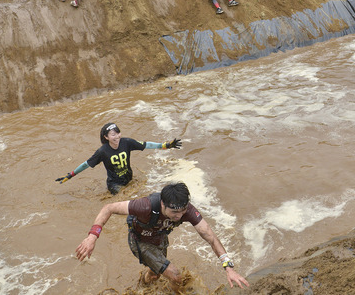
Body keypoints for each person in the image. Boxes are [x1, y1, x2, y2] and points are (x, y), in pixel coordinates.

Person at [75, 182, 249, 291]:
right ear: (163, 204)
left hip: (160, 238)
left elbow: (210, 237)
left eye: (182, 212)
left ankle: (143, 285)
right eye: (174, 212)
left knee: (156, 274)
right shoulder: (145, 206)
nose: (179, 216)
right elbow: (108, 208)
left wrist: (229, 267)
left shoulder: (186, 210)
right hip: (140, 241)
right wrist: (92, 237)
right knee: (176, 275)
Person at [55, 122, 182, 194]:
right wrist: (71, 175)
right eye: (113, 134)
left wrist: (165, 145)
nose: (117, 136)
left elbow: (146, 144)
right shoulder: (102, 151)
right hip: (115, 185)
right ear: (106, 137)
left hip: (129, 178)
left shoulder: (126, 142)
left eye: (118, 133)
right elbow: (86, 164)